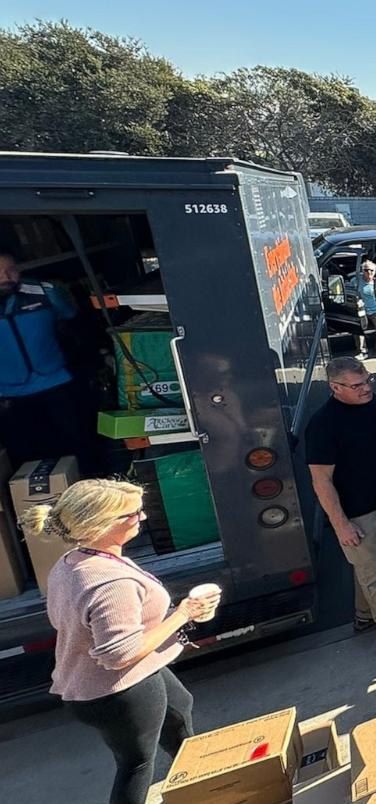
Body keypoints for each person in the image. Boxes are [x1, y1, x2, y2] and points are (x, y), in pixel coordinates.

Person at [25, 478, 220, 804]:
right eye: (133, 514)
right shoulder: (109, 583)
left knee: (179, 710)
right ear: (100, 525)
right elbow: (119, 655)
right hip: (117, 690)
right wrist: (183, 613)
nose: (142, 518)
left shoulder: (73, 561)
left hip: (115, 680)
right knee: (136, 763)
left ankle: (209, 784)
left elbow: (63, 620)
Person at [305, 356, 376, 639]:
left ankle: (364, 616)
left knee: (369, 567)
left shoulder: (374, 404)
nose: (365, 388)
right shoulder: (323, 426)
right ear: (335, 387)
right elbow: (321, 481)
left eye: (367, 381)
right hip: (357, 514)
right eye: (356, 385)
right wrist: (341, 525)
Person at [0, 246, 96, 468]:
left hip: (57, 382)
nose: (6, 277)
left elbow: (74, 320)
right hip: (9, 395)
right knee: (27, 460)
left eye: (11, 270)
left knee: (80, 449)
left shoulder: (44, 292)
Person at [353, 260, 376, 358]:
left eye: (371, 270)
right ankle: (362, 352)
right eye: (366, 270)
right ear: (362, 271)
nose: (369, 272)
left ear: (375, 271)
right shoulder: (356, 280)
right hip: (361, 310)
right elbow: (350, 292)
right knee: (358, 329)